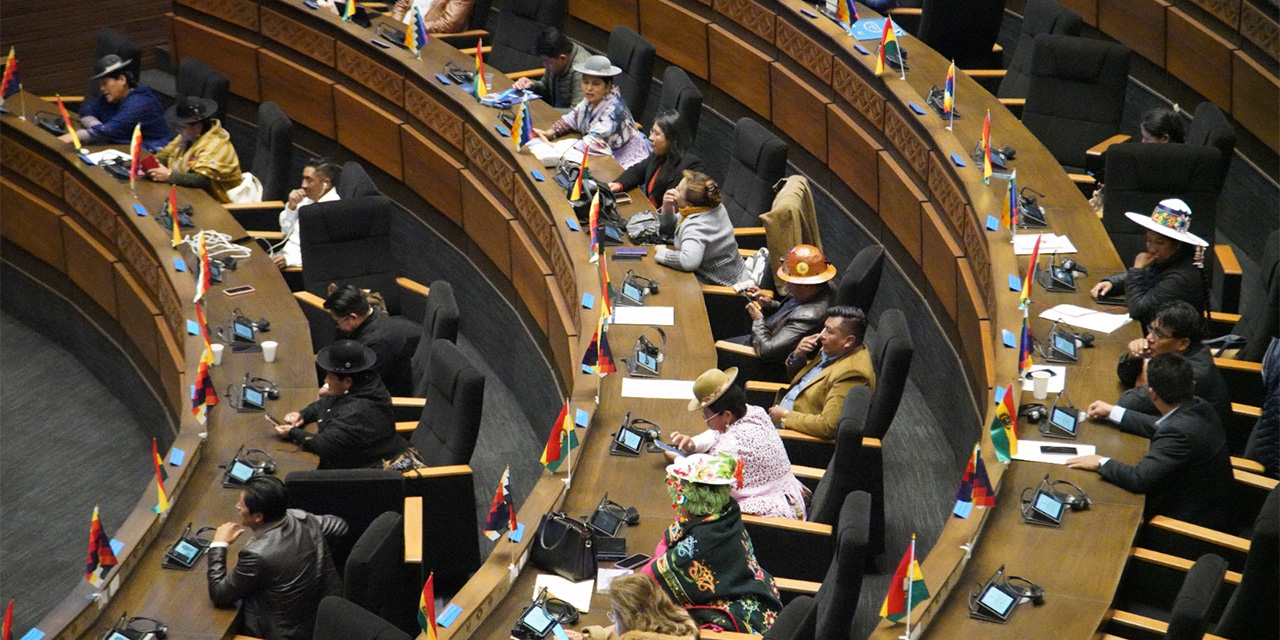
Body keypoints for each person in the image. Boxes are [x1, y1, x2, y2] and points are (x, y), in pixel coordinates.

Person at [1067, 353, 1235, 530]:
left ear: (1152, 394)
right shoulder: (1199, 406)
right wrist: (1113, 412)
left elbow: (1138, 479)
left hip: (1187, 527)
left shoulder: (1179, 432)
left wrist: (1100, 462)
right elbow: (1162, 426)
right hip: (1205, 505)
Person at [643, 452, 782, 634]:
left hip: (741, 627)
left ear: (686, 496)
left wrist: (660, 556)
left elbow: (648, 580)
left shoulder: (699, 544)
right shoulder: (726, 512)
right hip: (759, 599)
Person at [207, 476, 347, 640]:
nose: (237, 506)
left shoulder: (257, 555)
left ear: (258, 516)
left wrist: (218, 545)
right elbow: (340, 527)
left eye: (241, 504)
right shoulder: (302, 518)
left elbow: (219, 594)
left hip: (282, 633)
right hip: (320, 617)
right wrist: (319, 552)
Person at [667, 367, 808, 519]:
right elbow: (719, 433)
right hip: (792, 497)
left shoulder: (729, 447)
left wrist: (677, 459)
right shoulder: (755, 412)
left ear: (727, 415)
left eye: (706, 416)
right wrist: (693, 444)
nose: (705, 421)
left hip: (772, 519)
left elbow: (706, 485)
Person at [1087, 300, 1230, 428]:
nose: (1149, 338)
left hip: (1194, 447)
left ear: (1183, 343)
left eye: (1159, 335)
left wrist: (1147, 365)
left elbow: (1129, 402)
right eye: (1151, 329)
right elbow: (1126, 378)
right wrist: (1134, 356)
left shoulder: (1189, 373)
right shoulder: (1180, 352)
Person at [275, 340, 408, 469]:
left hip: (375, 471)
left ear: (347, 381)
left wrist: (293, 432)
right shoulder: (365, 382)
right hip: (359, 456)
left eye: (330, 377)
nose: (326, 380)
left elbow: (324, 445)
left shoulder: (357, 411)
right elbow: (327, 403)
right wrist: (303, 415)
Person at [1089, 199, 1208, 328]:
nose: (1151, 248)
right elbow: (1146, 276)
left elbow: (1138, 310)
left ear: (1178, 244)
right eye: (1149, 240)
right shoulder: (1169, 257)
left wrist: (1137, 269)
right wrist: (1113, 283)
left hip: (1174, 343)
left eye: (1160, 243)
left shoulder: (1182, 277)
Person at [767, 306, 875, 439]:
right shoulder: (836, 348)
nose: (822, 335)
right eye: (824, 328)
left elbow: (828, 427)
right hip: (776, 418)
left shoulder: (852, 373)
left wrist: (784, 417)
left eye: (830, 332)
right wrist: (798, 356)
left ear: (848, 341)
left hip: (791, 437)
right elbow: (805, 384)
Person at [533, 55, 651, 169]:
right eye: (585, 82)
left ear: (608, 86)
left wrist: (553, 147)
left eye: (596, 83)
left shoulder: (615, 113)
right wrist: (550, 133)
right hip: (602, 159)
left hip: (628, 164)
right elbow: (571, 118)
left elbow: (589, 144)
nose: (589, 88)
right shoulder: (591, 99)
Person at [732, 244, 836, 365]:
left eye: (790, 281)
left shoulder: (809, 317)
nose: (786, 284)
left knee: (715, 351)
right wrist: (771, 304)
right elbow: (791, 312)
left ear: (806, 284)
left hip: (761, 359)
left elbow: (769, 351)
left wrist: (758, 320)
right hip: (763, 336)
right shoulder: (821, 288)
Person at [654, 171, 751, 287]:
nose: (674, 190)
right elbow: (671, 231)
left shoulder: (696, 226)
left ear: (689, 204)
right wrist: (667, 208)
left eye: (679, 190)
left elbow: (689, 261)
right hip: (734, 271)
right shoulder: (712, 206)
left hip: (721, 286)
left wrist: (662, 253)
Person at [322, 284, 420, 397]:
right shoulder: (369, 319)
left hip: (383, 401)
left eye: (337, 322)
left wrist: (328, 389)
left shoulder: (378, 342)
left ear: (353, 317)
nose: (337, 327)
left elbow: (359, 383)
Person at [147, 96, 243, 203]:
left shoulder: (216, 145)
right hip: (187, 194)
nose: (178, 131)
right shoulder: (188, 136)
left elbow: (202, 180)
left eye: (182, 127)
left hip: (215, 202)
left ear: (198, 126)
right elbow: (167, 156)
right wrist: (150, 166)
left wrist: (169, 176)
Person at [64, 54, 169, 151]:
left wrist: (71, 137)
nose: (102, 89)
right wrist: (97, 127)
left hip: (151, 151)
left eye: (105, 83)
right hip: (122, 147)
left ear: (122, 80)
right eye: (101, 85)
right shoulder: (113, 98)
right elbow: (87, 112)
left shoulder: (140, 103)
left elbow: (107, 131)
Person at [608, 110, 706, 208]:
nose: (650, 137)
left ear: (671, 138)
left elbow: (685, 205)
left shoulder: (692, 166)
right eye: (652, 131)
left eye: (657, 134)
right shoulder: (658, 155)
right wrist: (618, 184)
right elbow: (637, 171)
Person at [566, 574, 699, 640]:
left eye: (615, 616)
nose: (613, 621)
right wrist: (589, 636)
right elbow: (616, 629)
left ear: (632, 618)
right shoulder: (676, 623)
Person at [272, 160, 341, 270]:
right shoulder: (306, 200)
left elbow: (324, 255)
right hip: (281, 255)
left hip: (296, 269)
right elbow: (285, 232)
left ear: (326, 184)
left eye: (309, 180)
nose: (303, 185)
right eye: (303, 178)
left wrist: (289, 260)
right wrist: (292, 207)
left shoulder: (334, 210)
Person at [513, 27, 590, 114]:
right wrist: (532, 85)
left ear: (562, 58)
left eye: (546, 61)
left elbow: (577, 113)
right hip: (556, 114)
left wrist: (542, 111)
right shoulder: (557, 54)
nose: (544, 65)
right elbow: (545, 87)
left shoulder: (581, 71)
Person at [388, 0, 473, 31]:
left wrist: (414, 28)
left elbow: (449, 23)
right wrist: (396, 24)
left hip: (425, 38)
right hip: (399, 29)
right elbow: (401, 5)